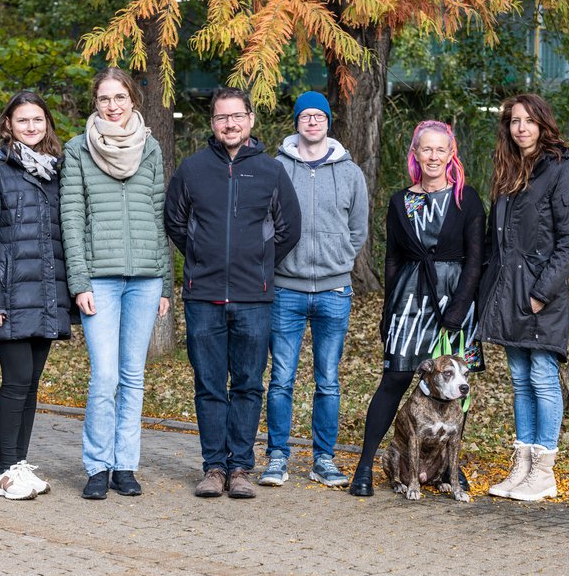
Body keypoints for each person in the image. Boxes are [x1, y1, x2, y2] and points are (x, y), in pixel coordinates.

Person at [165, 87, 301, 499]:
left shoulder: (271, 171)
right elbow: (176, 222)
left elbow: (288, 229)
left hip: (253, 298)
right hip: (203, 296)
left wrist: (258, 262)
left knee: (247, 384)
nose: (230, 124)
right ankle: (213, 468)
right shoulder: (192, 169)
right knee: (208, 385)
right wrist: (206, 260)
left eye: (237, 116)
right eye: (222, 117)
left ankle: (240, 466)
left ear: (251, 120)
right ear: (213, 123)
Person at [349, 120, 486, 497]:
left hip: (456, 299)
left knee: (457, 386)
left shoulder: (466, 199)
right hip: (409, 300)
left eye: (441, 149)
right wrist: (387, 310)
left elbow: (476, 259)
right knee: (394, 379)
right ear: (416, 153)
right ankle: (364, 466)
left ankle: (449, 470)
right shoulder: (399, 201)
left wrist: (459, 307)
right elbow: (392, 259)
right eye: (426, 149)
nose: (433, 156)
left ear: (451, 154)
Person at [60, 67, 171, 500]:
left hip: (145, 278)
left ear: (132, 101)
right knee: (104, 377)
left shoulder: (152, 148)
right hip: (99, 281)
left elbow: (160, 216)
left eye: (120, 97)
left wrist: (164, 283)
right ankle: (96, 467)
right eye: (105, 98)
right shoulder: (77, 150)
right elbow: (71, 218)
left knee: (133, 377)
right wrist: (79, 281)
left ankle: (126, 465)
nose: (112, 105)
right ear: (96, 102)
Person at [258, 91, 368, 488]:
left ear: (328, 122)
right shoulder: (275, 168)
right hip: (286, 289)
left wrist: (337, 260)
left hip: (334, 291)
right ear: (296, 123)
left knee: (328, 379)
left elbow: (358, 231)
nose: (312, 122)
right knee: (282, 377)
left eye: (318, 115)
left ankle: (324, 459)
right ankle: (277, 457)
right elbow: (265, 222)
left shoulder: (350, 172)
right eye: (305, 116)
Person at [0, 91, 73, 501]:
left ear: (46, 124)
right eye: (23, 121)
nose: (31, 127)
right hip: (9, 298)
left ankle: (20, 462)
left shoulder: (53, 172)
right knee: (14, 383)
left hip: (46, 297)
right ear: (8, 125)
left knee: (30, 385)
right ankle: (3, 473)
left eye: (38, 120)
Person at [480, 94, 569, 501]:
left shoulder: (559, 169)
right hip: (508, 293)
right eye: (513, 121)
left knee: (542, 378)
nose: (520, 128)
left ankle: (544, 472)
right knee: (521, 382)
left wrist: (542, 293)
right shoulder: (509, 169)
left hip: (541, 295)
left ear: (542, 124)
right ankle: (521, 466)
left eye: (528, 121)